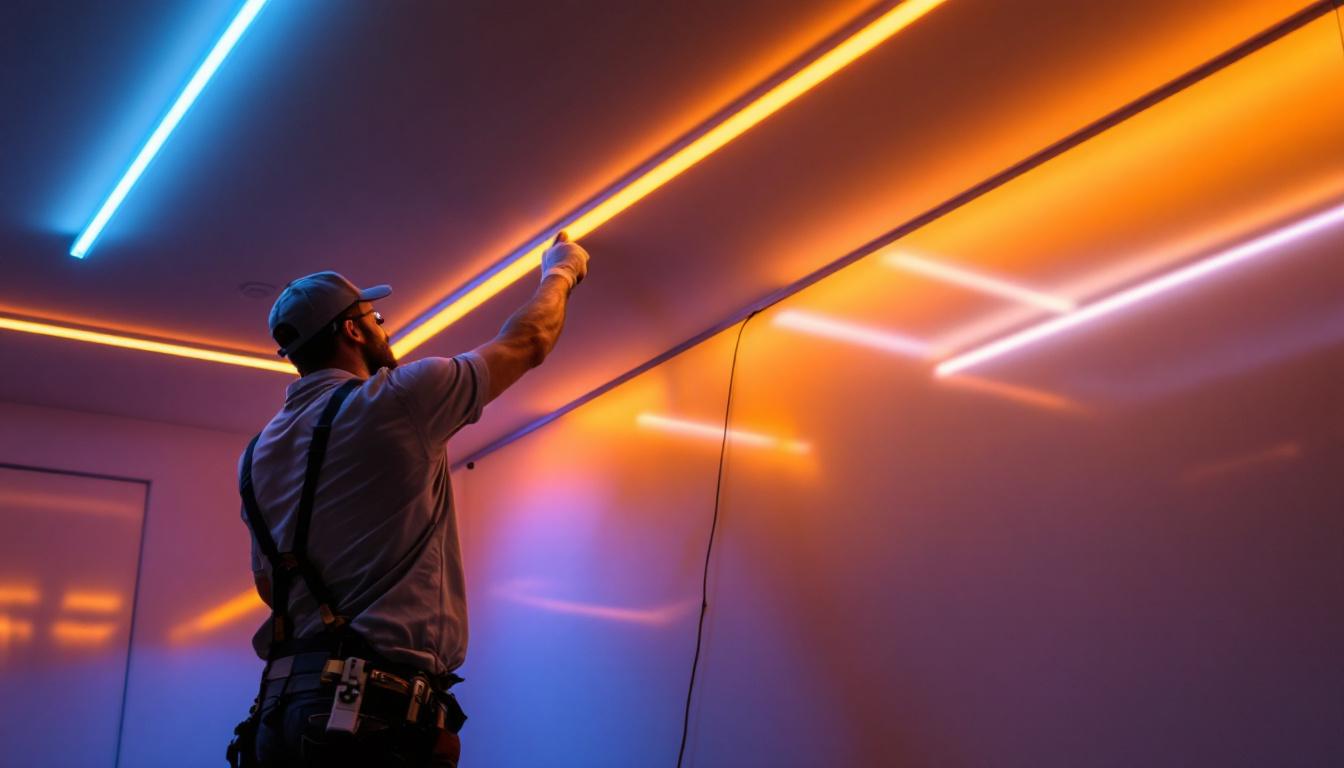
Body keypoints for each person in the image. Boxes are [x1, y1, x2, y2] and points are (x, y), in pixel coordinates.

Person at [228, 234, 590, 767]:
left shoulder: (257, 453)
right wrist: (561, 270)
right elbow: (528, 341)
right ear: (352, 329)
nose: (385, 328)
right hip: (365, 720)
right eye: (375, 317)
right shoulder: (398, 398)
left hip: (281, 713)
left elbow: (269, 583)